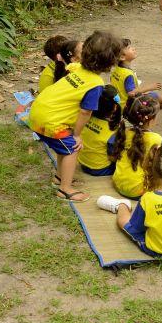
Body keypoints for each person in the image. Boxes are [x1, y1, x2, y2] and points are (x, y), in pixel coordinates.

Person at [29, 30, 122, 202]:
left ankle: (60, 178)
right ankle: (65, 189)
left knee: (63, 146)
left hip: (38, 113)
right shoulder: (95, 84)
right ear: (110, 62)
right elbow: (85, 112)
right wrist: (77, 135)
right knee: (72, 148)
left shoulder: (77, 68)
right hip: (49, 121)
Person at [110, 95, 162, 199]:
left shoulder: (123, 131)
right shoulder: (156, 138)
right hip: (138, 191)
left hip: (118, 183)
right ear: (151, 120)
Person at [111, 38, 162, 109]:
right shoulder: (128, 74)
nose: (133, 48)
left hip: (119, 104)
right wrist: (148, 87)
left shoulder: (116, 70)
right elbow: (131, 93)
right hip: (129, 106)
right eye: (129, 48)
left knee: (147, 96)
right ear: (122, 57)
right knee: (152, 96)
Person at [78, 84, 123, 176]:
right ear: (115, 107)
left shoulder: (85, 118)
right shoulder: (112, 131)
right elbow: (113, 158)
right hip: (100, 169)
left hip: (82, 163)